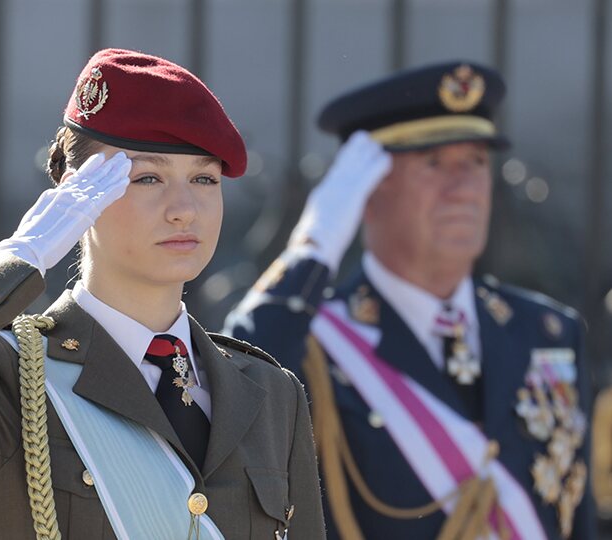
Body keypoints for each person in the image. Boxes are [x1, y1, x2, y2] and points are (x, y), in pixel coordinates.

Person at [0, 48, 324, 539]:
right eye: (147, 178)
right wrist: (20, 257)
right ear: (78, 195)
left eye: (204, 178)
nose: (184, 209)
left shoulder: (268, 392)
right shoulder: (10, 377)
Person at [225, 61, 595, 539]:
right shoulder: (313, 343)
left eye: (477, 162)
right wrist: (312, 249)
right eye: (434, 164)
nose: (463, 187)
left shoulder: (548, 331)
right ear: (368, 193)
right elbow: (239, 388)